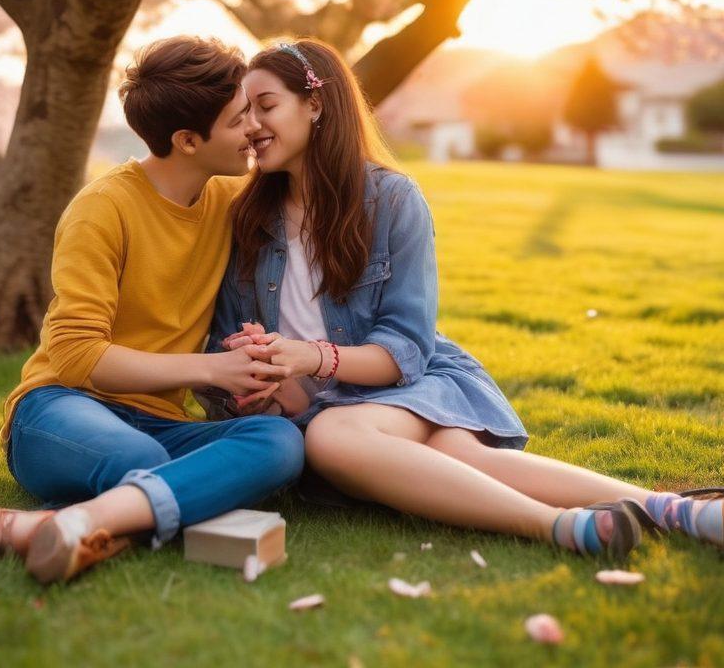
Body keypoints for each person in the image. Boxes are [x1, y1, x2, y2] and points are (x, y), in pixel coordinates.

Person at [207, 38, 724, 559]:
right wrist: (260, 376)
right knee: (452, 451)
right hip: (328, 410)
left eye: (266, 106)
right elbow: (234, 356)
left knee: (333, 435)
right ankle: (674, 511)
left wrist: (313, 356)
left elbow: (405, 350)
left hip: (408, 385)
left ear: (315, 105)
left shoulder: (391, 200)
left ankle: (564, 527)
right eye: (245, 112)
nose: (251, 125)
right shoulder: (246, 217)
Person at [0, 37, 304, 583]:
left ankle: (15, 527)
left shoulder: (228, 198)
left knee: (280, 443)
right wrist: (210, 369)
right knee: (143, 462)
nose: (254, 128)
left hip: (161, 422)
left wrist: (243, 353)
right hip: (61, 410)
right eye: (239, 120)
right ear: (187, 140)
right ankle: (129, 508)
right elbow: (74, 355)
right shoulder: (101, 209)